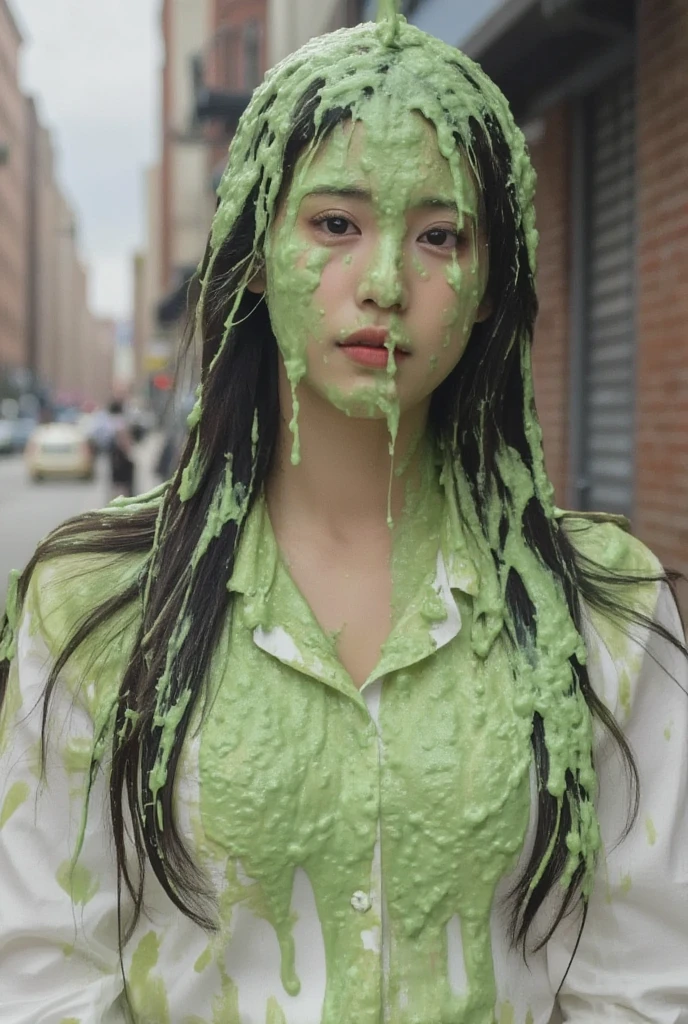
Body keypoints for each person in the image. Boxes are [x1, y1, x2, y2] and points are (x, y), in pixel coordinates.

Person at [0, 5, 687, 1022]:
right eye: (334, 223)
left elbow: (641, 982)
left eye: (438, 235)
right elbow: (43, 975)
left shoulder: (609, 610)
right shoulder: (93, 600)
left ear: (490, 280)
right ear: (257, 249)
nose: (380, 283)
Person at [107, 398, 136, 499]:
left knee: (117, 484)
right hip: (121, 457)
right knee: (123, 484)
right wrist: (129, 453)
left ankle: (117, 501)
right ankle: (121, 501)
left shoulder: (112, 422)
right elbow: (124, 440)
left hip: (116, 457)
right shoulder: (121, 422)